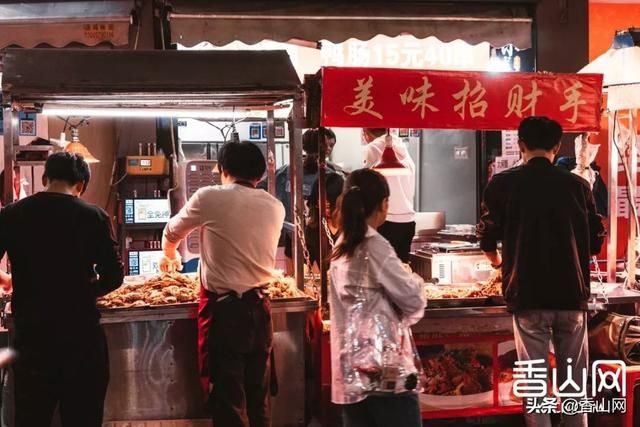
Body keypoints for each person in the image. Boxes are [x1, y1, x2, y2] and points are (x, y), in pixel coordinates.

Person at [477, 117, 605, 427]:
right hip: (571, 296)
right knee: (573, 382)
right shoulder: (578, 185)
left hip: (528, 296)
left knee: (535, 386)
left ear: (521, 145)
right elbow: (595, 242)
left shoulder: (502, 184)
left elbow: (486, 237)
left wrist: (497, 263)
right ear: (557, 146)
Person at [161, 141, 285, 427]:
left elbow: (173, 230)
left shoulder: (209, 197)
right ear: (261, 174)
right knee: (259, 399)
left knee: (229, 402)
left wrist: (169, 254)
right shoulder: (275, 206)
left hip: (227, 315)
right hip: (260, 311)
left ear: (222, 169)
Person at [0, 152, 124, 427]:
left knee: (32, 417)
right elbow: (114, 277)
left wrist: (11, 280)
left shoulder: (11, 214)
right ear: (81, 185)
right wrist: (83, 291)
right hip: (81, 336)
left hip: (32, 338)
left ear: (45, 178)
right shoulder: (94, 216)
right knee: (82, 416)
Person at [329, 168, 426, 427]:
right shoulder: (373, 245)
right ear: (383, 205)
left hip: (351, 370)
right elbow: (413, 300)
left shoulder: (342, 245)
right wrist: (415, 279)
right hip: (385, 371)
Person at [264, 127, 341, 273]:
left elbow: (264, 191)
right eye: (329, 145)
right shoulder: (329, 175)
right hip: (316, 234)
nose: (330, 149)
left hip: (292, 231)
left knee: (296, 280)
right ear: (322, 146)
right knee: (321, 279)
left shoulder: (287, 171)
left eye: (332, 145)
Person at [362, 128, 416, 262]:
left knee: (380, 270)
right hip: (407, 221)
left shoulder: (373, 148)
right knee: (401, 269)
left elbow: (363, 181)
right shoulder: (401, 146)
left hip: (385, 220)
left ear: (366, 134)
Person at [305, 171, 345, 272]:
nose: (323, 209)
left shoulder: (351, 228)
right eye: (319, 204)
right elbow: (307, 264)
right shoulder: (312, 229)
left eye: (328, 206)